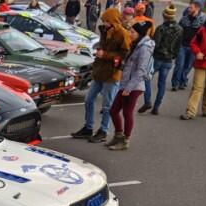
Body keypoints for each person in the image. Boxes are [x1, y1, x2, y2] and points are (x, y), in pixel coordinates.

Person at [71, 8, 130, 142]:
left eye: (107, 21)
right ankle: (88, 127)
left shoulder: (122, 33)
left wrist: (106, 55)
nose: (104, 23)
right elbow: (102, 45)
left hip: (112, 74)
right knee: (88, 100)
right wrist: (98, 50)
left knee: (107, 105)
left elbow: (125, 54)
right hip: (99, 71)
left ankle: (103, 130)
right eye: (104, 21)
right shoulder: (104, 30)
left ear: (113, 21)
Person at [107, 21, 153, 149]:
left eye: (132, 32)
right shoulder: (135, 44)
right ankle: (118, 136)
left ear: (140, 34)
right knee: (113, 110)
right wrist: (120, 64)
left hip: (134, 86)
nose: (129, 33)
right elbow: (130, 64)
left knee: (127, 112)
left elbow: (141, 70)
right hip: (126, 83)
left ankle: (125, 141)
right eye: (130, 31)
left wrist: (129, 88)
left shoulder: (144, 48)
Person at [140, 4, 181, 114]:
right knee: (161, 84)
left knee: (147, 78)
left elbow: (155, 43)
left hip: (157, 57)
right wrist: (174, 56)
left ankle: (147, 100)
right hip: (168, 60)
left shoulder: (161, 28)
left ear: (164, 16)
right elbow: (178, 46)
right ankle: (156, 107)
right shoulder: (179, 29)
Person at [172, 1, 205, 90]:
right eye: (189, 7)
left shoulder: (202, 20)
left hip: (194, 48)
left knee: (188, 66)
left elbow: (204, 36)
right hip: (182, 46)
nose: (188, 9)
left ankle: (182, 81)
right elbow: (177, 31)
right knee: (179, 65)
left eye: (191, 8)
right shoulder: (184, 19)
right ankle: (175, 83)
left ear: (197, 8)